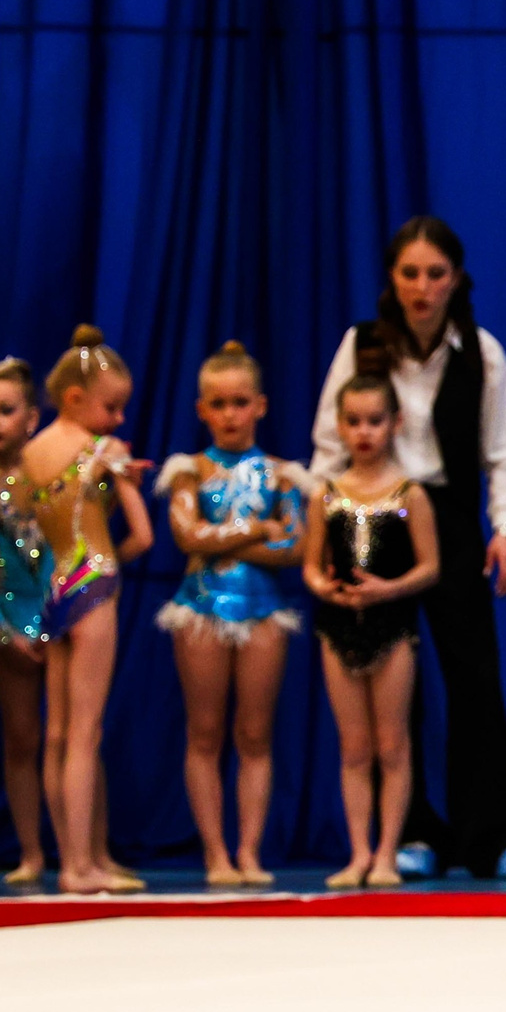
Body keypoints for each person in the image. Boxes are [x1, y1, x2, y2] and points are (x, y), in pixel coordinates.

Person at [310, 216, 506, 881]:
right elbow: (329, 446)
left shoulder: (481, 349)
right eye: (410, 273)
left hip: (446, 514)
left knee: (473, 676)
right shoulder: (360, 347)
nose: (422, 287)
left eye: (435, 274)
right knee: (387, 682)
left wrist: (505, 527)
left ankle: (495, 835)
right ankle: (406, 835)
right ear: (393, 279)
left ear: (456, 279)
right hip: (368, 514)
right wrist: (328, 526)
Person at [155, 341, 307, 887]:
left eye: (239, 403)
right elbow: (184, 534)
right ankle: (215, 852)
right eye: (218, 405)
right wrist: (253, 531)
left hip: (265, 610)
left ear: (260, 406)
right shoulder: (188, 471)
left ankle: (248, 850)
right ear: (201, 410)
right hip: (199, 607)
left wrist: (223, 545)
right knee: (204, 731)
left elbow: (294, 545)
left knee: (255, 733)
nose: (229, 415)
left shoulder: (283, 474)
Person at [23, 325, 154, 895]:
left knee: (57, 734)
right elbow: (144, 536)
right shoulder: (104, 451)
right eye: (112, 407)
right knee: (85, 734)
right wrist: (110, 563)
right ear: (75, 398)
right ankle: (81, 867)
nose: (120, 420)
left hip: (54, 588)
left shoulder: (31, 451)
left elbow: (32, 532)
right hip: (95, 584)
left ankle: (81, 857)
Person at [305, 374, 441, 889]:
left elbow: (430, 567)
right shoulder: (327, 494)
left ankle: (388, 852)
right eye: (354, 422)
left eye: (375, 421)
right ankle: (359, 852)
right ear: (339, 427)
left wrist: (387, 589)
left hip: (391, 627)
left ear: (396, 423)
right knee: (354, 747)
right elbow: (311, 566)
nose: (364, 432)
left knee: (392, 745)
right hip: (338, 627)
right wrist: (326, 589)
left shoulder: (411, 494)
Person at [0, 356, 51, 885]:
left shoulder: (55, 471)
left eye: (5, 410)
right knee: (21, 740)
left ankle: (90, 847)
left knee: (76, 738)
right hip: (8, 625)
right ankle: (31, 852)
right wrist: (3, 632)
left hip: (64, 615)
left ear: (32, 416)